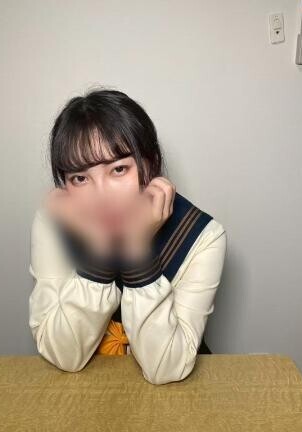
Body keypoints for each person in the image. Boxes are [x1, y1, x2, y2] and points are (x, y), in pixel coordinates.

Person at [28, 88, 227, 385]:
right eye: (80, 178)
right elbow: (64, 356)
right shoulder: (53, 223)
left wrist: (138, 252)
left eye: (119, 169)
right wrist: (98, 252)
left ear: (151, 164)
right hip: (83, 388)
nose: (102, 197)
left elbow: (166, 370)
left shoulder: (203, 237)